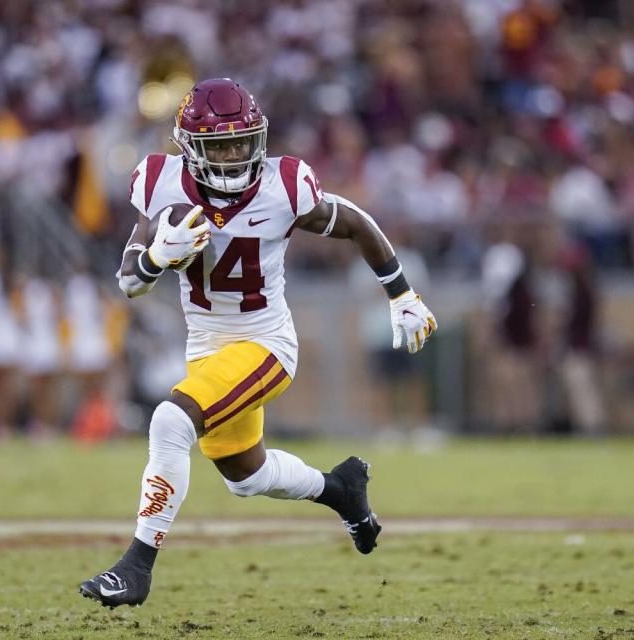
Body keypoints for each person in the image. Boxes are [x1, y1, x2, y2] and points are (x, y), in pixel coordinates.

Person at [79, 78, 437, 608]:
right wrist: (157, 255)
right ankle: (342, 490)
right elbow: (131, 281)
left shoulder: (284, 186)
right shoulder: (161, 183)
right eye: (217, 145)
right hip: (207, 346)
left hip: (266, 343)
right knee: (246, 475)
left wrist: (401, 293)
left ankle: (136, 567)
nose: (230, 156)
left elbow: (356, 222)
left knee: (169, 421)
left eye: (239, 142)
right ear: (189, 148)